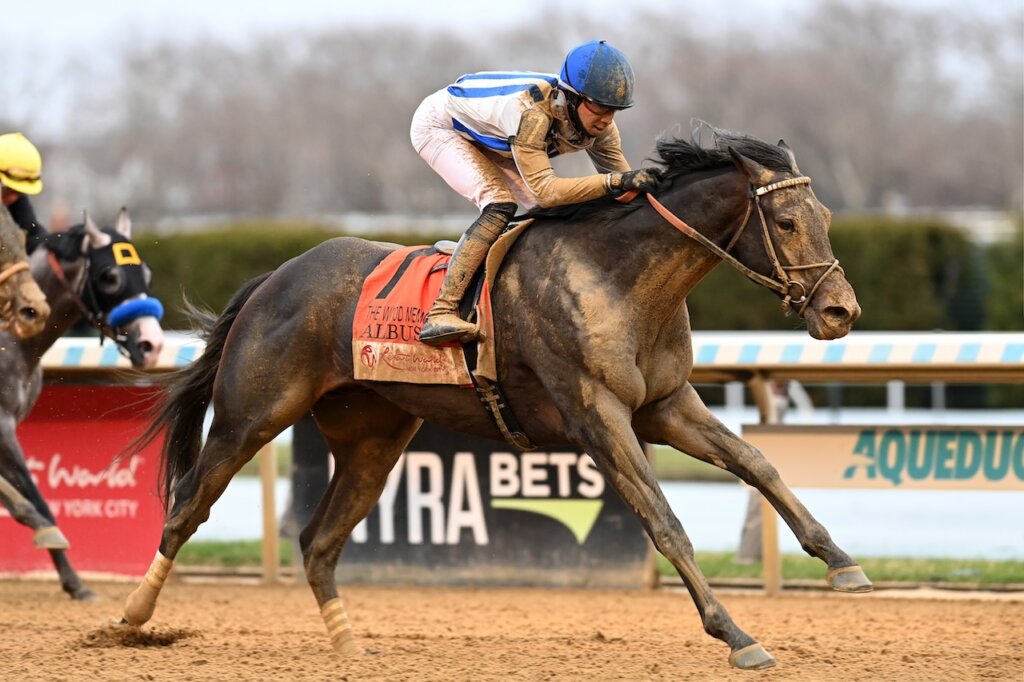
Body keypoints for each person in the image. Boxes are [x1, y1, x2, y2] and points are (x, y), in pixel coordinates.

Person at [410, 40, 661, 345]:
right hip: (440, 128)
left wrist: (658, 191)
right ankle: (442, 310)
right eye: (599, 107)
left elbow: (624, 191)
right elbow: (547, 191)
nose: (606, 119)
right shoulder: (532, 114)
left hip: (495, 137)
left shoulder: (601, 126)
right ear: (572, 98)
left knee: (551, 216)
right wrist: (615, 183)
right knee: (500, 204)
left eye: (614, 111)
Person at [0, 132, 47, 254]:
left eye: (20, 192)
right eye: (9, 190)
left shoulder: (18, 203)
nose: (13, 198)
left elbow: (34, 235)